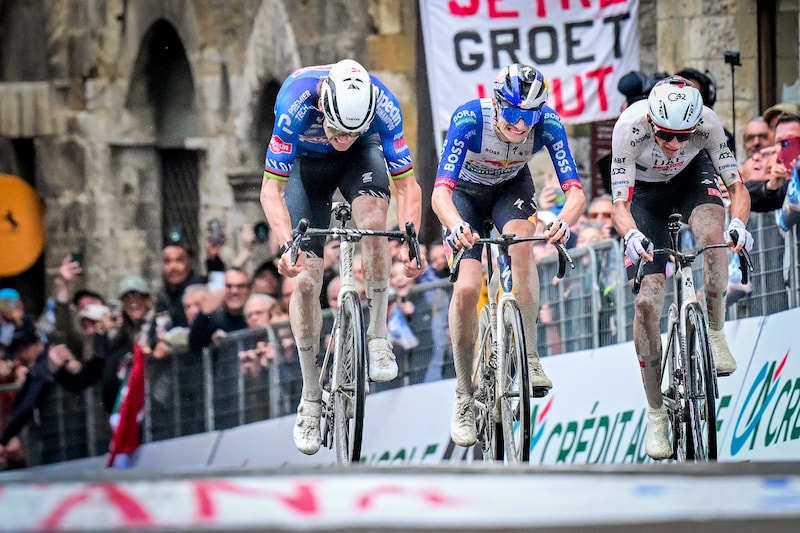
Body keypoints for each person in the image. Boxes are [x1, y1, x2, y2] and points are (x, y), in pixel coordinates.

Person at [259, 58, 425, 455]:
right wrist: (287, 245)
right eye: (336, 130)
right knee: (305, 280)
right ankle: (310, 396)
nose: (342, 139)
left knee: (374, 221)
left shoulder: (383, 105)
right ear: (323, 107)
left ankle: (378, 336)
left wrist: (411, 240)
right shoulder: (295, 102)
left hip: (360, 163)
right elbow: (270, 190)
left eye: (352, 131)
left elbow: (407, 186)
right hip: (306, 169)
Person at [431, 63, 585, 447]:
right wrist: (455, 225)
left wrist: (564, 221)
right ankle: (463, 393)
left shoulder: (548, 124)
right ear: (498, 103)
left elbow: (576, 193)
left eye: (529, 118)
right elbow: (440, 194)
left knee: (521, 245)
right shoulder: (469, 119)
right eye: (514, 114)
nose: (520, 126)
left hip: (510, 190)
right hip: (463, 197)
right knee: (468, 288)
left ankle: (530, 357)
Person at [609, 76, 753, 460]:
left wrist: (739, 223)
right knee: (646, 303)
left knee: (714, 235)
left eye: (682, 136)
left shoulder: (708, 123)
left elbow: (737, 187)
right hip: (644, 197)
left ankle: (715, 333)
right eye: (665, 135)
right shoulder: (629, 128)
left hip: (691, 179)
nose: (673, 144)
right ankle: (656, 412)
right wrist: (630, 235)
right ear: (651, 121)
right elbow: (619, 205)